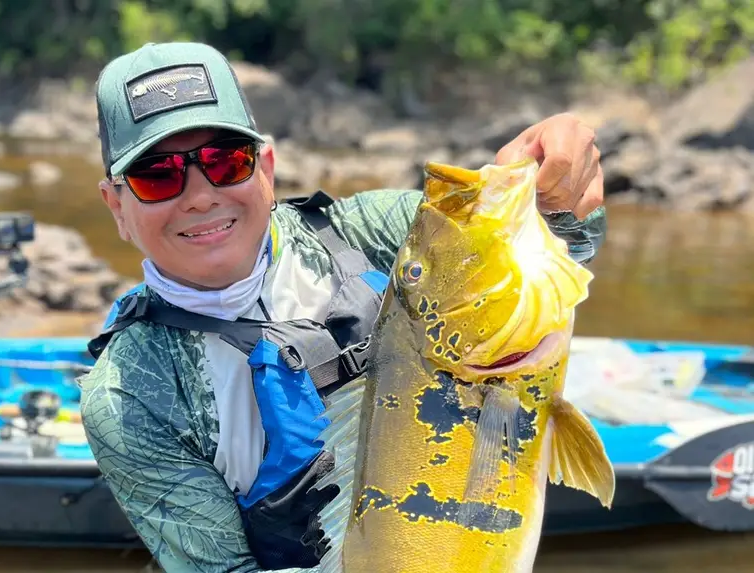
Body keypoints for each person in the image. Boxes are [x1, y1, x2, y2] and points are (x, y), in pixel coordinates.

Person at [79, 40, 608, 573]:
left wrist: (559, 192)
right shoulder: (130, 393)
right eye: (157, 175)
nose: (199, 195)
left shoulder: (369, 234)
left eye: (224, 161)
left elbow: (561, 244)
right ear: (116, 205)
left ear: (265, 166)